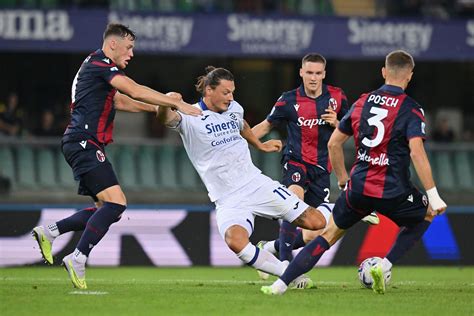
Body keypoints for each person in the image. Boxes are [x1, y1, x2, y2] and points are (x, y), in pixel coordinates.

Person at [261, 50, 448, 295]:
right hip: (393, 189)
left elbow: (334, 143)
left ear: (383, 72)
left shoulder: (363, 101)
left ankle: (279, 285)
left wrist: (343, 181)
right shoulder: (411, 109)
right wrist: (433, 195)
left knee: (323, 236)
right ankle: (385, 264)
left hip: (357, 187)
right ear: (410, 76)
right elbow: (416, 152)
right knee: (426, 214)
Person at [31, 23, 201, 290]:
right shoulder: (100, 63)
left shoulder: (97, 69)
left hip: (82, 142)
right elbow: (132, 89)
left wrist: (158, 106)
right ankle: (78, 257)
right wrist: (175, 103)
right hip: (84, 141)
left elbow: (122, 101)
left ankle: (50, 231)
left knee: (107, 208)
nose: (132, 54)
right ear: (113, 45)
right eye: (129, 47)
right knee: (117, 204)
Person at [157, 66, 331, 289]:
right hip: (227, 198)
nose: (231, 98)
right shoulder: (189, 116)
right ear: (209, 91)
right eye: (226, 92)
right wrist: (166, 101)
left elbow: (243, 125)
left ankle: (270, 248)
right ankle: (289, 273)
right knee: (235, 241)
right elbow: (165, 118)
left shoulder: (235, 109)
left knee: (316, 223)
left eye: (232, 92)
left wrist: (259, 144)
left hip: (255, 184)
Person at [252, 53, 378, 265]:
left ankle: (270, 247)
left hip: (322, 169)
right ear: (301, 72)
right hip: (296, 160)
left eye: (318, 73)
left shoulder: (337, 97)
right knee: (293, 202)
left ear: (324, 74)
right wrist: (239, 142)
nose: (313, 77)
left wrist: (337, 122)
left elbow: (353, 131)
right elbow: (266, 126)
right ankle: (285, 264)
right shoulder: (288, 100)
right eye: (309, 72)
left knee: (315, 231)